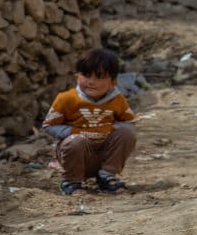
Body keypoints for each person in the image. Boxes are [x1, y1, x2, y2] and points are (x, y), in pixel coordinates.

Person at [42, 48, 137, 195]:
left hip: (104, 156)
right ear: (77, 76)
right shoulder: (66, 99)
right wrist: (74, 132)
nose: (91, 82)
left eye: (99, 77)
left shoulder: (117, 100)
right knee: (76, 141)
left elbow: (129, 123)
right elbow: (49, 125)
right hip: (76, 155)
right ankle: (71, 181)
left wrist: (107, 130)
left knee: (127, 132)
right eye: (86, 75)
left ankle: (106, 176)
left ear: (113, 82)